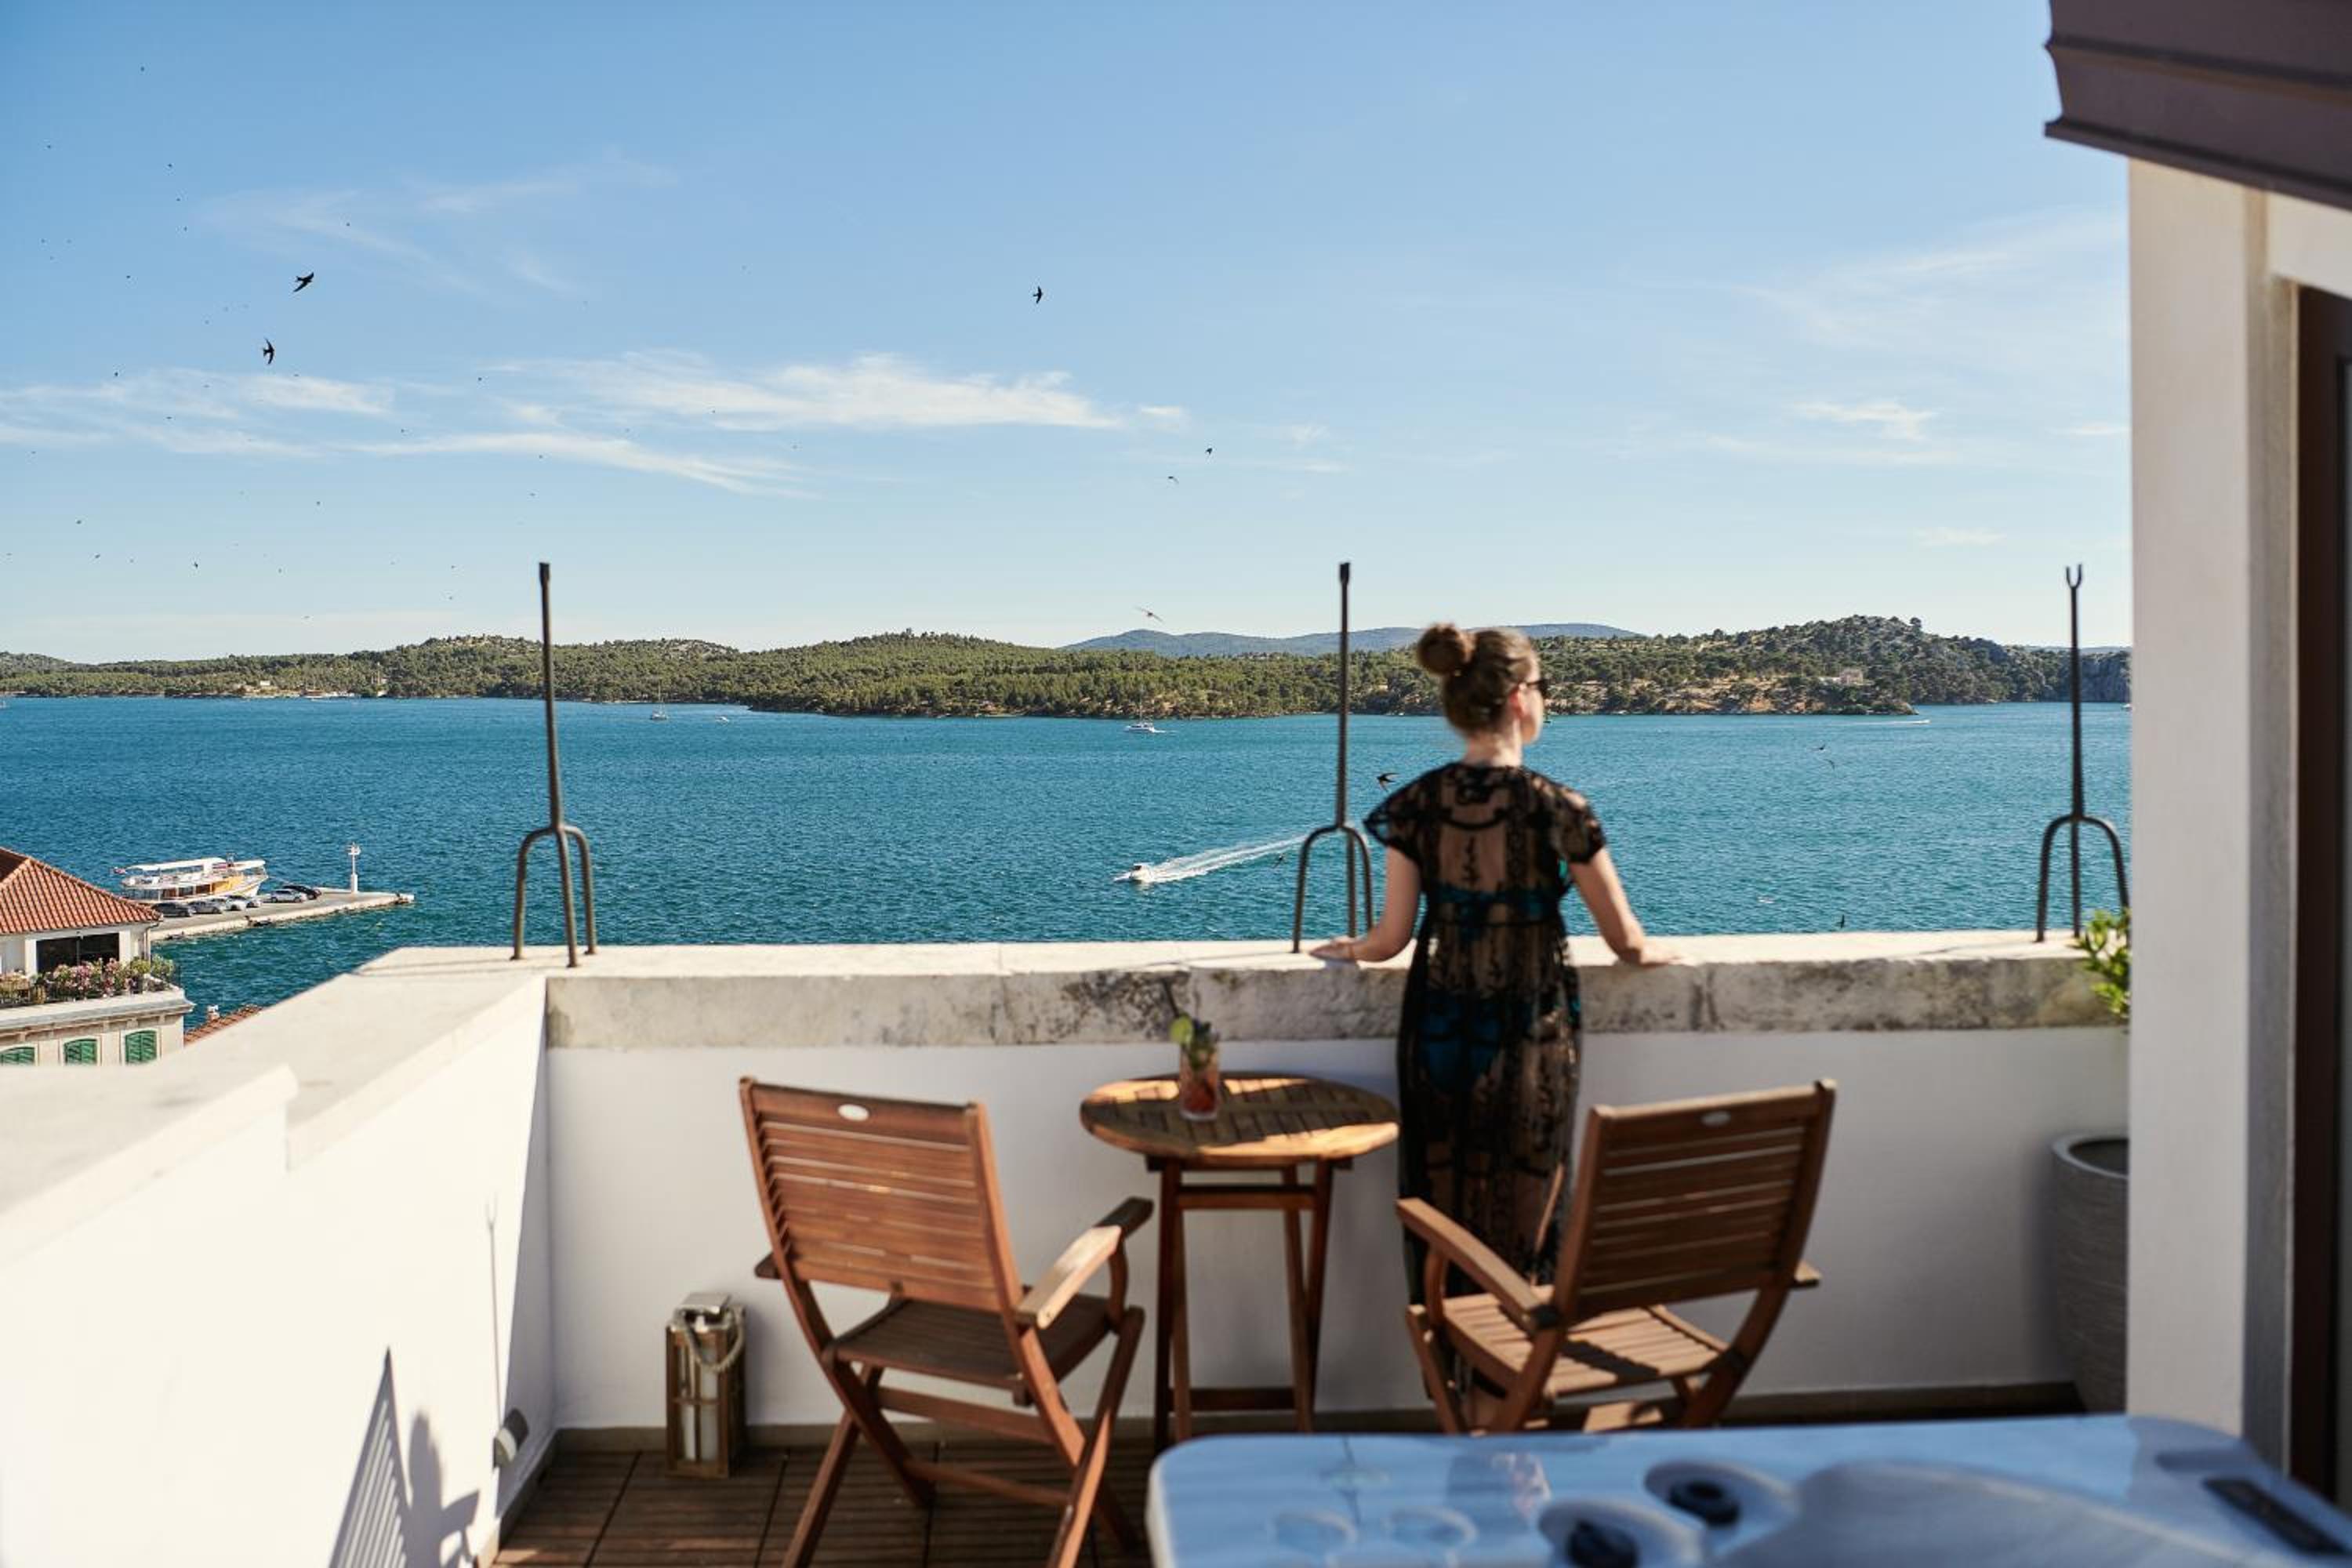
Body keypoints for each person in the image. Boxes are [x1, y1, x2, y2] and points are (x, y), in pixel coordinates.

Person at [1313, 623, 1675, 1300]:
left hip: (1440, 1031)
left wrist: (1349, 949)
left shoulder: (1417, 806)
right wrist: (1659, 951)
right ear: (1517, 699)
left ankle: (1449, 1343)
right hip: (1531, 1033)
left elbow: (1390, 939)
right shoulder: (1559, 809)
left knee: (1442, 1191)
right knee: (1529, 1194)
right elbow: (1626, 942)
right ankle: (1518, 1345)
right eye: (1543, 686)